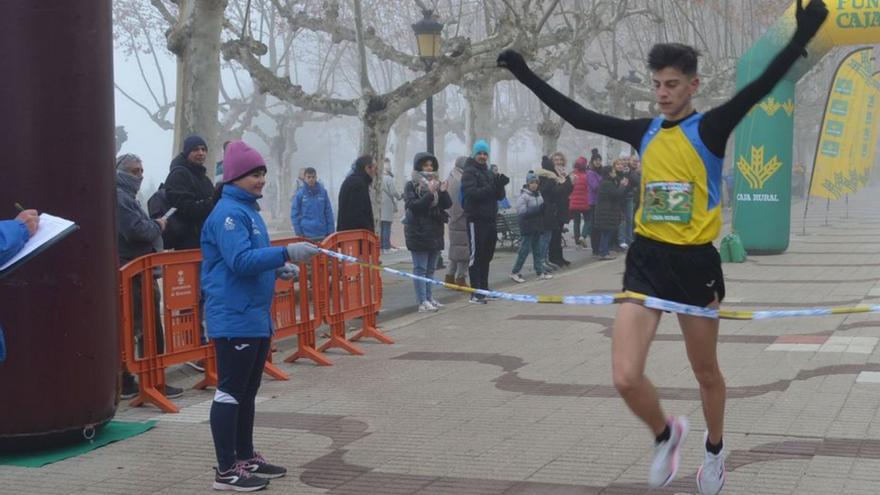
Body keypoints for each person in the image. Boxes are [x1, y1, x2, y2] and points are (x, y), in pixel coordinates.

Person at [497, 1, 828, 492]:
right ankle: (665, 435)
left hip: (696, 265)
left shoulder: (710, 129)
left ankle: (714, 450)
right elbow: (579, 114)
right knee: (626, 377)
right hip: (647, 261)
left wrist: (801, 37)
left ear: (693, 86)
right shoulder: (644, 131)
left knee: (706, 372)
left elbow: (759, 87)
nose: (662, 94)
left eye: (672, 85)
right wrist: (523, 73)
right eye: (656, 85)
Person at [201, 140, 320, 492]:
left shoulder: (248, 212)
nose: (261, 180)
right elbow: (238, 262)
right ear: (235, 176)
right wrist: (285, 252)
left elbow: (251, 259)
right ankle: (226, 470)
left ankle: (244, 455)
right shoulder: (227, 214)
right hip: (233, 316)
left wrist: (276, 268)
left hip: (254, 316)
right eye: (255, 174)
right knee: (231, 391)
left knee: (248, 391)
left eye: (264, 173)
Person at [115, 153, 184, 400]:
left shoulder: (127, 197)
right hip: (134, 272)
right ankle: (150, 380)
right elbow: (135, 230)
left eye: (141, 171)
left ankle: (138, 379)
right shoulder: (120, 198)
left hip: (139, 271)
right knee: (145, 328)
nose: (140, 176)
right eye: (134, 171)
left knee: (141, 327)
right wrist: (158, 226)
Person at [461, 139, 509, 304]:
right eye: (479, 153)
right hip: (476, 219)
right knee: (476, 256)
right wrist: (492, 187)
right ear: (474, 154)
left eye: (485, 153)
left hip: (490, 219)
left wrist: (500, 185)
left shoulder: (489, 172)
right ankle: (475, 292)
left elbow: (499, 197)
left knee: (487, 256)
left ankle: (484, 288)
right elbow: (472, 194)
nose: (482, 156)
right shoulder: (469, 172)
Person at [403, 152, 452, 312]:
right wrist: (430, 194)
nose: (429, 168)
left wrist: (443, 192)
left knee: (431, 269)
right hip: (418, 232)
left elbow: (446, 205)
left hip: (435, 232)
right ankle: (422, 301)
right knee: (420, 269)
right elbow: (414, 206)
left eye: (431, 165)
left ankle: (430, 297)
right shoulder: (411, 185)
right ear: (419, 166)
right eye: (425, 165)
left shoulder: (436, 183)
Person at [163, 134, 215, 250]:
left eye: (203, 149)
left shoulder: (204, 178)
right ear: (187, 152)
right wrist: (213, 201)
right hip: (187, 244)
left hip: (205, 240)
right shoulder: (179, 175)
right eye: (195, 149)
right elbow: (185, 209)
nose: (201, 153)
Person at [510, 172, 550, 283]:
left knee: (537, 250)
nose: (534, 185)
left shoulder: (539, 195)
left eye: (536, 182)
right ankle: (515, 272)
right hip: (527, 227)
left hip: (537, 227)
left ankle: (539, 272)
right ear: (527, 183)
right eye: (531, 182)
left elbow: (541, 212)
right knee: (524, 250)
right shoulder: (524, 196)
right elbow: (522, 212)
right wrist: (538, 210)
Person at [535, 156, 565, 272]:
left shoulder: (549, 179)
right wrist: (561, 183)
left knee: (547, 238)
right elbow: (553, 193)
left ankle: (545, 259)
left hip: (550, 211)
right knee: (544, 238)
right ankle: (541, 261)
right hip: (546, 212)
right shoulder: (547, 179)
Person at [444, 157, 470, 287]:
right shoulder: (461, 180)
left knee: (455, 249)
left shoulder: (451, 176)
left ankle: (449, 275)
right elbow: (463, 200)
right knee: (463, 251)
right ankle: (461, 277)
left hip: (452, 216)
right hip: (461, 217)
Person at [290, 167, 335, 241]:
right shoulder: (299, 195)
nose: (311, 179)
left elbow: (328, 212)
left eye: (313, 177)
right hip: (306, 235)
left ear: (316, 177)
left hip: (323, 234)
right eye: (308, 177)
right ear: (304, 178)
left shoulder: (323, 193)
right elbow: (294, 215)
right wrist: (299, 233)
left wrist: (330, 231)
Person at [593, 164, 626, 260]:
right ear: (609, 173)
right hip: (606, 212)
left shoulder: (608, 182)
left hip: (607, 212)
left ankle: (604, 251)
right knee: (606, 233)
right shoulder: (607, 183)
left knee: (607, 232)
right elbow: (616, 194)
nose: (615, 173)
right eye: (613, 171)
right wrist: (622, 185)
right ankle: (603, 252)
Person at [337, 155, 377, 232]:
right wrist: (369, 230)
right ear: (367, 168)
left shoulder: (352, 181)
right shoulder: (358, 184)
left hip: (349, 234)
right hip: (355, 236)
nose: (376, 172)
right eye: (375, 168)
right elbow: (357, 214)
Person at [548, 152, 573, 266]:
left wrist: (569, 181)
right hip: (554, 208)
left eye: (560, 160)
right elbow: (554, 192)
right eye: (556, 160)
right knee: (554, 235)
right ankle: (553, 258)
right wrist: (562, 183)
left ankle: (560, 257)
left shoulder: (564, 173)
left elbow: (568, 189)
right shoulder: (550, 174)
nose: (558, 162)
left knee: (559, 234)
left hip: (563, 207)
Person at [568, 156, 591, 248]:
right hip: (585, 202)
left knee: (576, 222)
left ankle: (577, 242)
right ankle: (583, 235)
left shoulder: (572, 175)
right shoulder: (588, 175)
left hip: (574, 202)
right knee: (588, 220)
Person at [380, 161, 402, 253]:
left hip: (379, 204)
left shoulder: (377, 178)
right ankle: (386, 247)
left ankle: (381, 246)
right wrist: (399, 197)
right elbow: (393, 192)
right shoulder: (389, 178)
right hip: (387, 204)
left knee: (381, 227)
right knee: (387, 226)